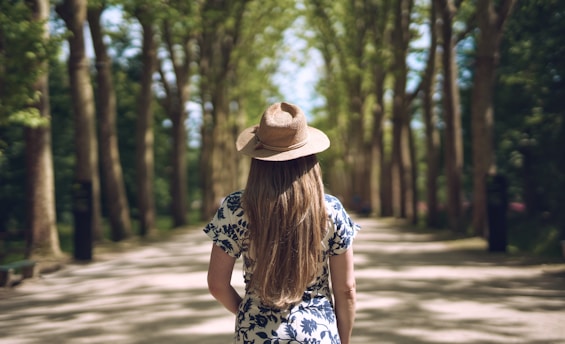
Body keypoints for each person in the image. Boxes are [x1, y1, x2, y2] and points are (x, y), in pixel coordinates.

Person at [204, 102, 359, 343]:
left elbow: (216, 284)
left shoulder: (236, 208)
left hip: (255, 334)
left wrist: (249, 314)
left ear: (258, 158)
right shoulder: (330, 210)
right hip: (317, 333)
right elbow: (346, 289)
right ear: (309, 157)